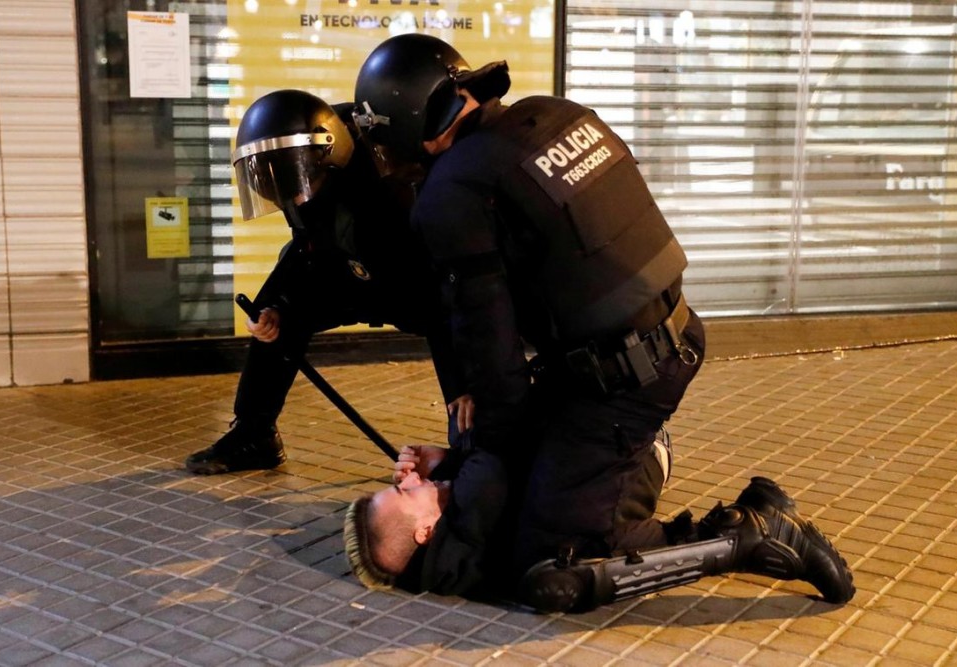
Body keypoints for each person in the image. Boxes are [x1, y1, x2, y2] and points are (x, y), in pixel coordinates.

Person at [343, 34, 855, 612]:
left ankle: (749, 534)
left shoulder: (451, 192)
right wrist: (458, 464)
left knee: (554, 568)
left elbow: (496, 364)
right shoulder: (553, 116)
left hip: (616, 386)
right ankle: (627, 476)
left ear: (407, 124)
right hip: (658, 342)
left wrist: (477, 455)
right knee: (541, 497)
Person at [185, 89, 470, 475]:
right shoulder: (298, 179)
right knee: (277, 317)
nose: (290, 194)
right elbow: (304, 247)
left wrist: (461, 384)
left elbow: (446, 285)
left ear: (327, 154)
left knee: (457, 352)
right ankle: (254, 435)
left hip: (418, 283)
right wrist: (273, 308)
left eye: (289, 176)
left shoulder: (391, 174)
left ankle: (472, 453)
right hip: (351, 272)